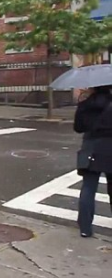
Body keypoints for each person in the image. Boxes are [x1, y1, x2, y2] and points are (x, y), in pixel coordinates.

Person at [73, 85, 112, 237]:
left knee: (88, 188)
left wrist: (80, 101)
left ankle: (85, 227)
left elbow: (78, 128)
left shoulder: (86, 104)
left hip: (91, 149)